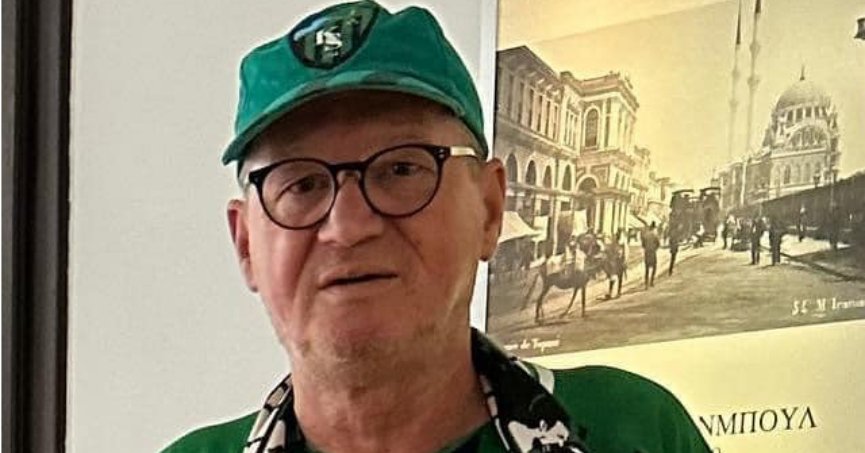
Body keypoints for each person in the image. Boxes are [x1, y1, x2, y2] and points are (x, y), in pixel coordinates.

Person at [162, 2, 711, 452]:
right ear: (245, 244)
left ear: (490, 210)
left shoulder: (634, 434)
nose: (348, 227)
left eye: (401, 169)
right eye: (301, 185)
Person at [641, 222, 661, 288]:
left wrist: (646, 248)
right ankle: (651, 281)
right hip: (652, 252)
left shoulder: (645, 235)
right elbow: (658, 244)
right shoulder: (655, 235)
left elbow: (643, 244)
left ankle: (646, 283)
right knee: (654, 267)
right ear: (654, 228)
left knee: (647, 268)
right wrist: (655, 248)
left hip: (647, 253)